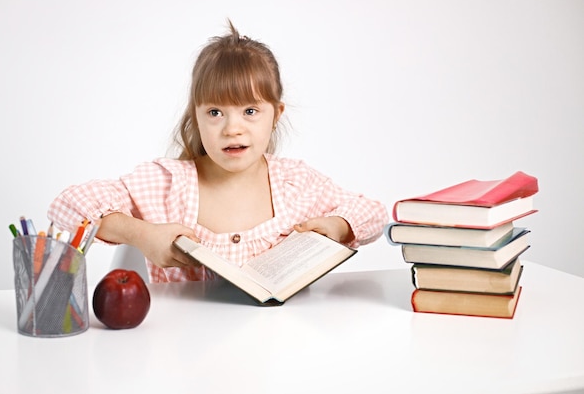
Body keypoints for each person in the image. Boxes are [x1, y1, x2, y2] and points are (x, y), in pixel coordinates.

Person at [47, 21, 389, 283]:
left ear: (276, 115)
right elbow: (67, 207)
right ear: (196, 115)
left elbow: (373, 213)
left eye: (250, 112)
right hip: (185, 351)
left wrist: (338, 226)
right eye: (215, 113)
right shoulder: (165, 186)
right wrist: (143, 235)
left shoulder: (296, 184)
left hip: (281, 350)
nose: (232, 128)